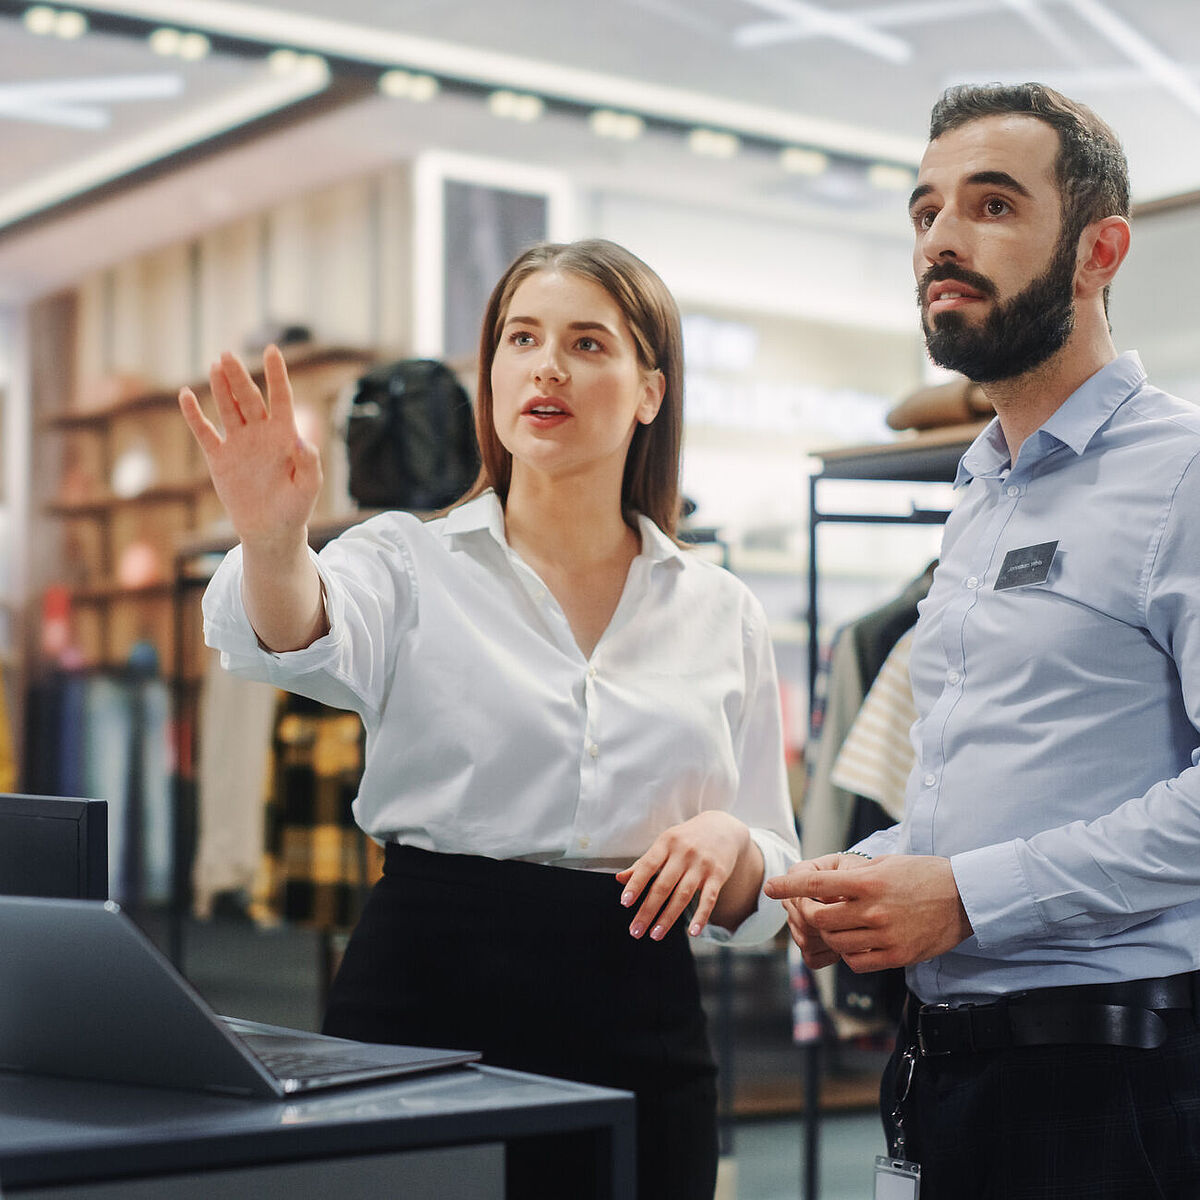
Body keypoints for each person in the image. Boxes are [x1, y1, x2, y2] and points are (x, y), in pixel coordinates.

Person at [179, 237, 800, 1199]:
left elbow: (770, 868)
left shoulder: (721, 610)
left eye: (588, 343)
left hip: (640, 1011)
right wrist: (271, 541)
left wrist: (734, 844)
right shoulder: (406, 561)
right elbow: (293, 633)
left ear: (649, 391)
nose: (546, 365)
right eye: (521, 338)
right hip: (427, 997)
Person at [766, 83, 1200, 1199]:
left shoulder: (1183, 475)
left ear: (1101, 249)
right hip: (949, 1066)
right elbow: (1018, 778)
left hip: (1114, 1087)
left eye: (992, 205)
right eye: (924, 213)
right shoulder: (981, 489)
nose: (943, 240)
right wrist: (871, 877)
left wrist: (968, 895)